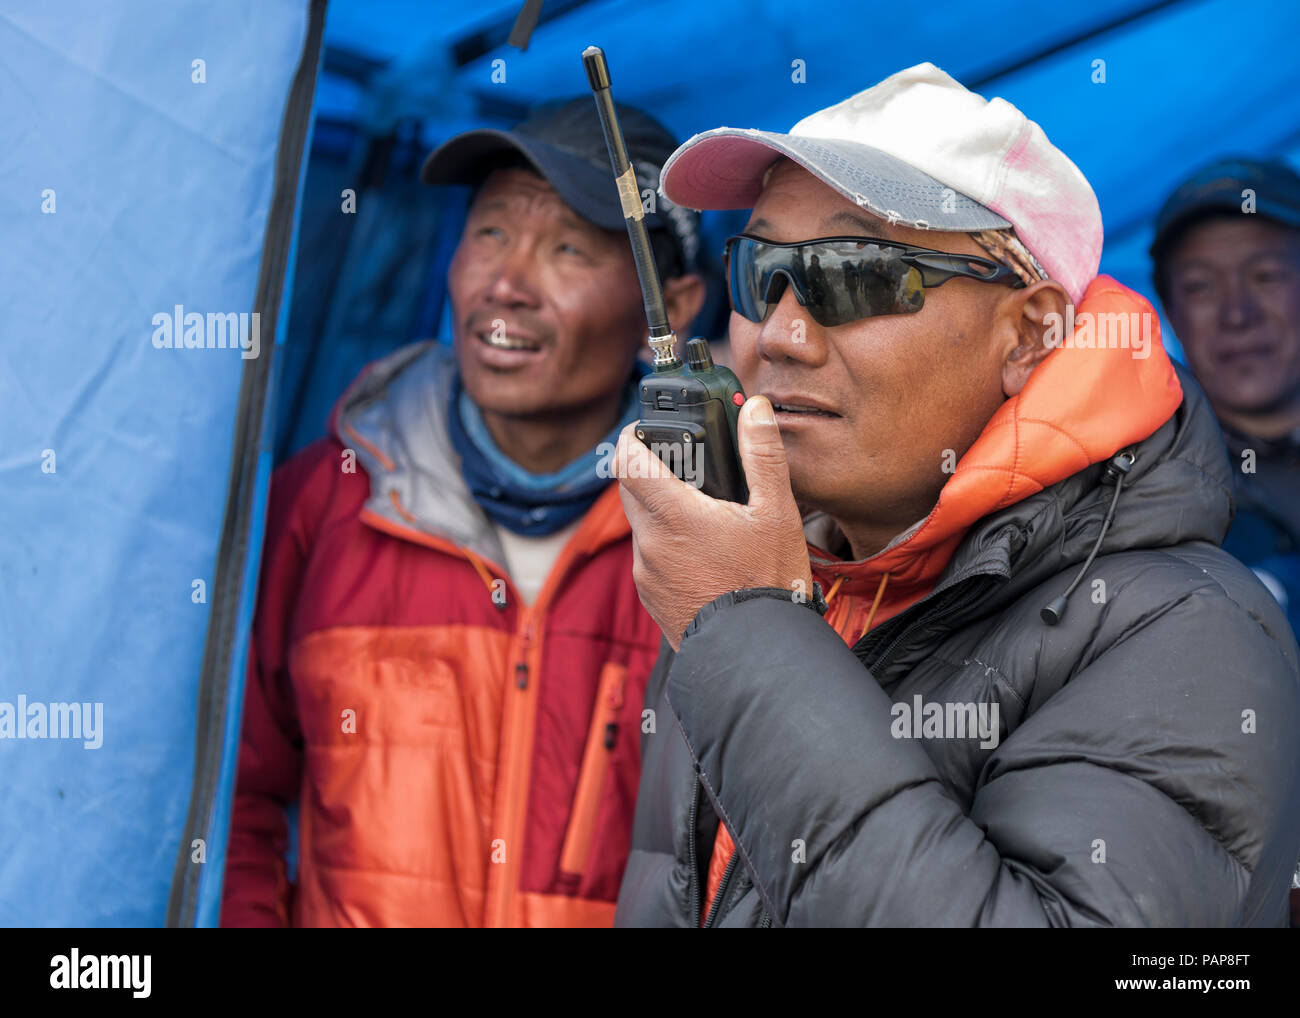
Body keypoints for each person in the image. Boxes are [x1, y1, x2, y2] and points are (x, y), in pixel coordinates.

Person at [611, 63, 1300, 927]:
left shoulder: (1187, 633)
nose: (781, 334)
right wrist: (743, 620)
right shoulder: (754, 572)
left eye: (853, 274)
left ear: (1028, 333)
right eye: (762, 274)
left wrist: (746, 632)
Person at [219, 97, 705, 927]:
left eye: (567, 248)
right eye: (490, 233)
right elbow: (233, 797)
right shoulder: (329, 498)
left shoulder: (710, 541)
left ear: (675, 308)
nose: (507, 284)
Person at [1151, 157, 1300, 638]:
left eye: (1266, 276)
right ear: (1169, 311)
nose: (1237, 315)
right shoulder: (1142, 496)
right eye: (1200, 286)